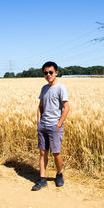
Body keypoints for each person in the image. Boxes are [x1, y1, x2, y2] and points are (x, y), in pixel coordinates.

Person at [32, 61, 70, 191]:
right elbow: (40, 106)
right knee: (43, 153)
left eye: (50, 72)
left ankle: (59, 174)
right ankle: (42, 179)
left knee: (56, 153)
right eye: (45, 73)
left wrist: (59, 124)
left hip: (54, 126)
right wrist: (39, 122)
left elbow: (66, 107)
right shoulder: (44, 88)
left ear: (56, 73)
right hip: (43, 125)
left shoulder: (61, 88)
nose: (48, 75)